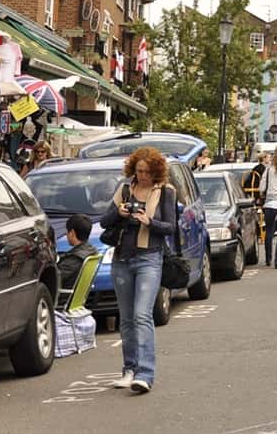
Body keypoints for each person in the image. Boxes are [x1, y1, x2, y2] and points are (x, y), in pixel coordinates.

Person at [99, 147, 176, 394]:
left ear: (155, 171)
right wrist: (119, 213)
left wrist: (149, 222)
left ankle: (145, 373)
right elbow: (104, 222)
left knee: (143, 315)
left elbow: (171, 227)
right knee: (127, 318)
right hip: (122, 258)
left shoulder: (165, 192)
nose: (142, 176)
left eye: (146, 172)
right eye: (138, 170)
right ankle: (128, 370)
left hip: (149, 257)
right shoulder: (124, 190)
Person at [57, 213, 97, 290]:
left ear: (72, 233)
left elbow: (55, 278)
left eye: (67, 231)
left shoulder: (74, 259)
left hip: (63, 298)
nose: (66, 235)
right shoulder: (92, 251)